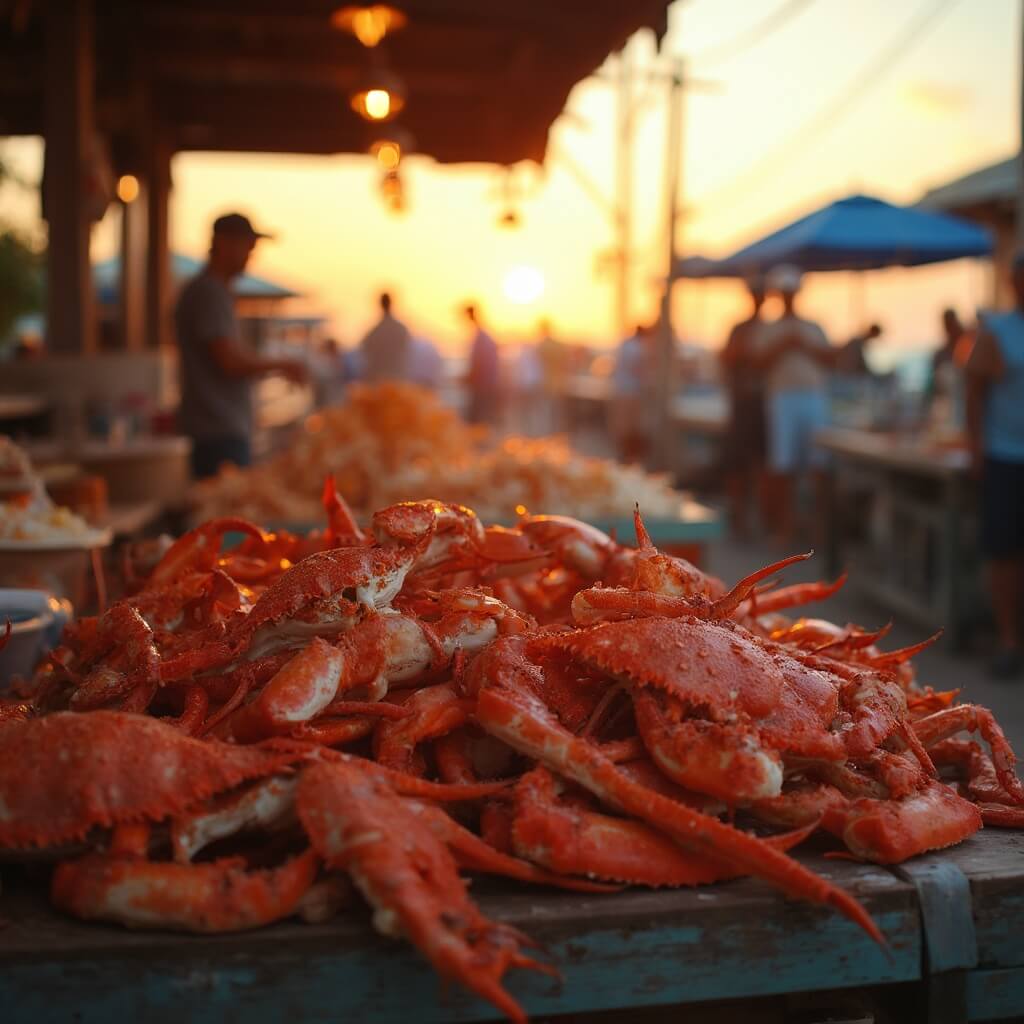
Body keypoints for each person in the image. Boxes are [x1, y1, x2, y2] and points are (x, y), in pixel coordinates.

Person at [175, 212, 307, 479]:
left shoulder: (213, 292)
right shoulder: (209, 293)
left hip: (217, 429)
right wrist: (282, 363)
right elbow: (229, 361)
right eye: (247, 246)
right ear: (223, 244)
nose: (250, 255)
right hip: (217, 431)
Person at [965, 253, 1024, 677]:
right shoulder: (996, 332)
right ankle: (1008, 640)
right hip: (1005, 455)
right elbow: (973, 392)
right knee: (1003, 551)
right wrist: (976, 447)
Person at [755, 264, 835, 547]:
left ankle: (818, 531)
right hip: (782, 398)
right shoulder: (771, 329)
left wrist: (802, 345)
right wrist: (783, 345)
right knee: (782, 466)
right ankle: (785, 530)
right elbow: (758, 363)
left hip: (812, 396)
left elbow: (831, 359)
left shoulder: (812, 327)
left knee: (818, 465)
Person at [718, 280, 768, 538]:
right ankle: (739, 518)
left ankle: (753, 519)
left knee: (758, 465)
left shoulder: (767, 329)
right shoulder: (742, 329)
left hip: (762, 405)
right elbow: (727, 357)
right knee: (738, 465)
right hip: (743, 404)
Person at [609, 324, 652, 464]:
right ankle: (629, 456)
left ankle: (622, 454)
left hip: (620, 389)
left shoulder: (625, 344)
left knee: (621, 425)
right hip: (631, 391)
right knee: (631, 426)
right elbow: (637, 369)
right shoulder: (638, 347)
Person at [358, 292, 412, 383]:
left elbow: (365, 354)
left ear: (380, 304)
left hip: (378, 381)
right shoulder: (401, 329)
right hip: (398, 380)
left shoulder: (374, 332)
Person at [463, 304, 501, 425]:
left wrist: (471, 376)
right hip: (484, 380)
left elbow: (480, 361)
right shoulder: (482, 334)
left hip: (483, 381)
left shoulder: (481, 336)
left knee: (478, 414)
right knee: (481, 412)